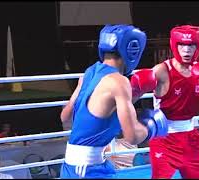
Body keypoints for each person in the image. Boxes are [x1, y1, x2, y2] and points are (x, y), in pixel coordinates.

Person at [59, 24, 168, 179]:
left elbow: (66, 116)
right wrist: (152, 127)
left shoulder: (89, 73)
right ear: (132, 51)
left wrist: (136, 93)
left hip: (76, 166)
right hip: (87, 170)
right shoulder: (119, 82)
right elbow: (132, 136)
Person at [131, 25, 199, 178]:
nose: (187, 50)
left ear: (198, 46)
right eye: (182, 45)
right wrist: (136, 89)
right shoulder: (162, 71)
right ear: (174, 45)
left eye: (191, 45)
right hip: (164, 139)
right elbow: (129, 100)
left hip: (190, 138)